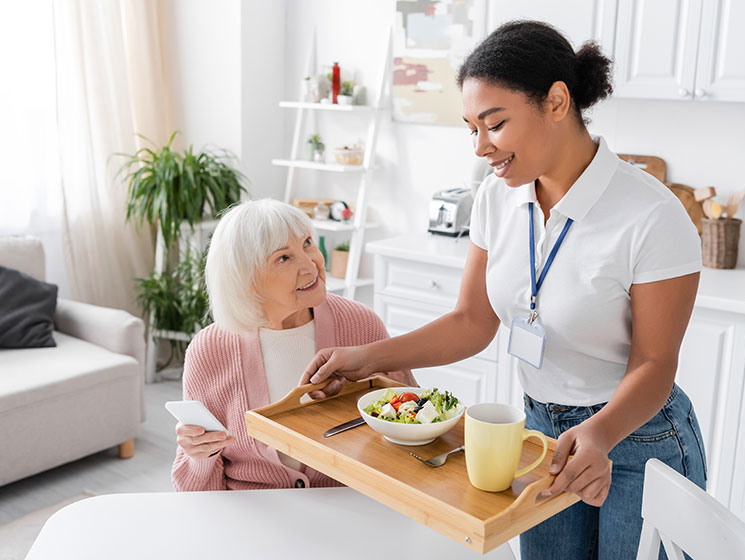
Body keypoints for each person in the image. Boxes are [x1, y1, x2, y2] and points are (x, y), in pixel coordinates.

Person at [301, 20, 706, 559]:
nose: (480, 147)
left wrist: (601, 433)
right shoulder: (497, 199)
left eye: (494, 124)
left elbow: (656, 363)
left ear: (557, 101)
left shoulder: (652, 215)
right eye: (471, 128)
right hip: (537, 432)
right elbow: (472, 321)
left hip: (639, 437)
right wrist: (362, 359)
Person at [172, 199, 415, 491]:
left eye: (308, 243)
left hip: (349, 509)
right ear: (247, 280)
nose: (310, 264)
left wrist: (403, 399)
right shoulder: (209, 351)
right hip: (253, 518)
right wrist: (200, 456)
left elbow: (415, 437)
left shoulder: (362, 325)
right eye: (283, 258)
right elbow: (195, 493)